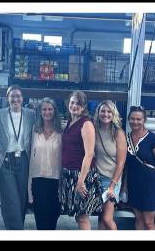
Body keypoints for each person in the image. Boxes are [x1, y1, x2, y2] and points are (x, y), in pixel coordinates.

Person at [0, 85, 35, 230]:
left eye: (18, 96)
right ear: (7, 98)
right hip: (5, 161)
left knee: (22, 199)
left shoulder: (31, 114)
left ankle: (16, 228)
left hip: (24, 159)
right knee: (10, 199)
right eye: (12, 96)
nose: (15, 99)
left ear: (22, 98)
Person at [59, 90, 102, 230]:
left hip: (81, 176)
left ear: (83, 107)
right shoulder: (70, 121)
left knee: (83, 217)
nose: (74, 106)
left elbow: (89, 154)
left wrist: (81, 181)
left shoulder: (86, 124)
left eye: (78, 103)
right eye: (72, 102)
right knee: (79, 216)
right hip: (70, 174)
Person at [126, 106, 155, 230]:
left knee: (149, 222)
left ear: (144, 120)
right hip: (134, 184)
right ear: (128, 119)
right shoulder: (126, 138)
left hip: (150, 185)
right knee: (138, 218)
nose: (135, 122)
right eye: (132, 119)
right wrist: (124, 187)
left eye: (139, 119)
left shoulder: (153, 138)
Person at [27, 97, 63, 230]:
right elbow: (31, 158)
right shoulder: (35, 130)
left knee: (53, 217)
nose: (47, 112)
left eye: (50, 109)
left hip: (55, 181)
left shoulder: (61, 131)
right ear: (40, 112)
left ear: (55, 111)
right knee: (40, 220)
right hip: (38, 180)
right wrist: (29, 188)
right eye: (44, 109)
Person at [93, 100, 128, 230]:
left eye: (109, 112)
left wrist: (112, 186)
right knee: (101, 217)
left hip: (111, 179)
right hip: (97, 178)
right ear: (98, 113)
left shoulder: (118, 133)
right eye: (103, 111)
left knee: (107, 218)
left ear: (114, 114)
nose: (106, 114)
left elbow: (121, 163)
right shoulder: (94, 130)